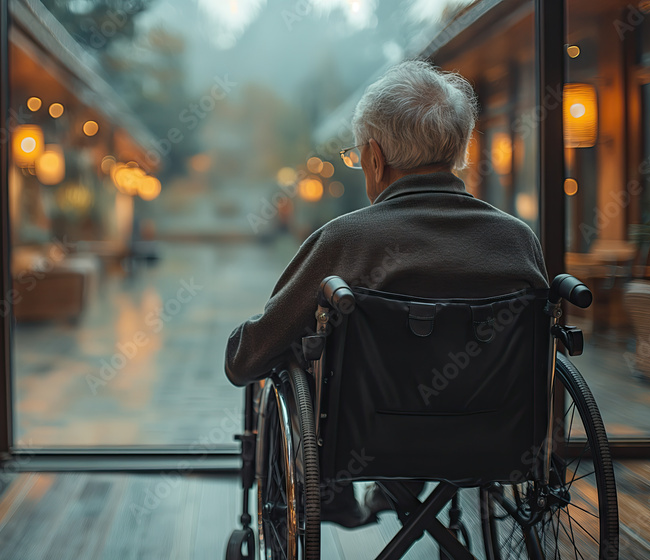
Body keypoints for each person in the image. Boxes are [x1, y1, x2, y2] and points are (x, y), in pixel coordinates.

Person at [224, 60, 549, 527]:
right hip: (496, 434)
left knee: (294, 352)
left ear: (375, 157)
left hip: (368, 441)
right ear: (456, 150)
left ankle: (340, 496)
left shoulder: (347, 240)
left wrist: (241, 346)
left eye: (359, 156)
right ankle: (402, 489)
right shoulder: (517, 241)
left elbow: (249, 360)